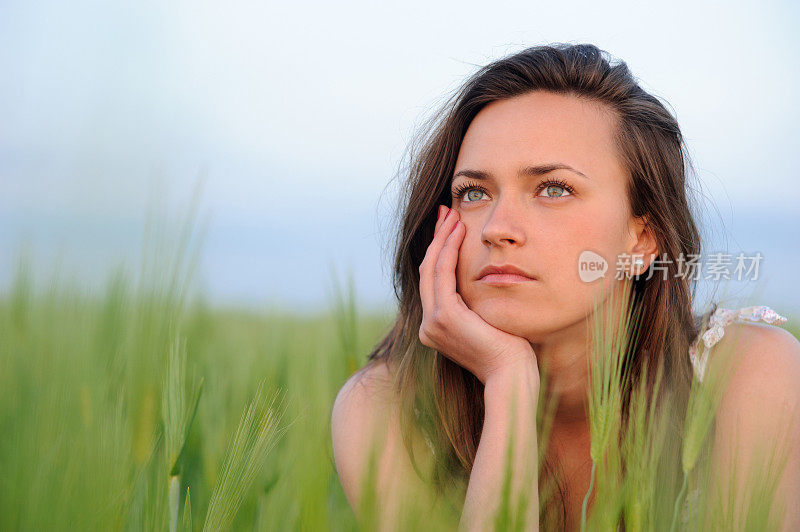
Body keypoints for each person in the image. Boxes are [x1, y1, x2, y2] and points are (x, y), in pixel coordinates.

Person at [330, 43, 800, 531]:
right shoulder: (387, 411)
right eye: (474, 193)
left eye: (553, 189)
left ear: (642, 239)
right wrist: (509, 382)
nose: (497, 227)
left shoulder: (747, 375)